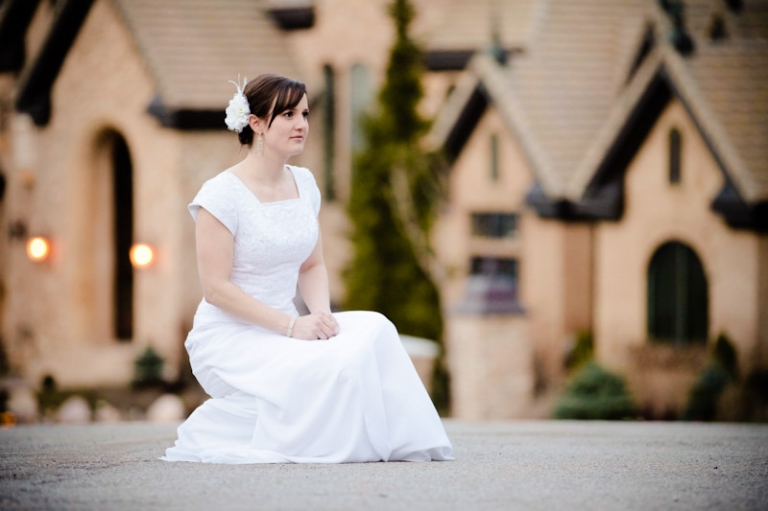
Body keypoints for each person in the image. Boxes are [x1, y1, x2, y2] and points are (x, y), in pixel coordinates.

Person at [162, 74, 454, 463]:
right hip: (231, 336)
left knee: (377, 328)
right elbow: (216, 289)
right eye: (288, 114)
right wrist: (291, 326)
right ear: (257, 124)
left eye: (304, 113)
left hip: (290, 328)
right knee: (337, 364)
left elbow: (313, 264)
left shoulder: (304, 183)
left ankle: (402, 443)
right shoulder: (220, 195)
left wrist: (320, 314)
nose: (302, 124)